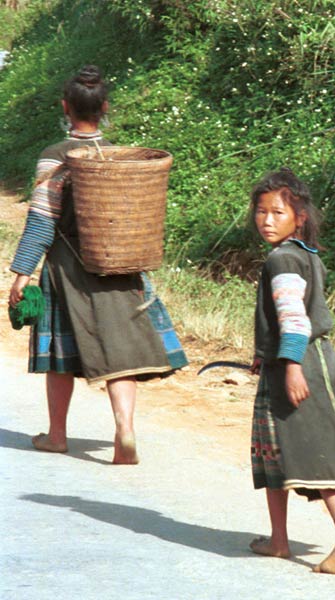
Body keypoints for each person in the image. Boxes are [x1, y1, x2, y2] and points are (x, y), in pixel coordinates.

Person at [8, 65, 188, 464]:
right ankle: (124, 428)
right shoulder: (121, 157)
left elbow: (41, 220)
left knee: (58, 355)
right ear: (105, 108)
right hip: (119, 266)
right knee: (120, 352)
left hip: (66, 265)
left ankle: (57, 435)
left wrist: (22, 274)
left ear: (65, 108)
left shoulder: (55, 157)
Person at [248, 167, 335, 574]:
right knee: (278, 452)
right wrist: (266, 353)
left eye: (278, 212)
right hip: (307, 360)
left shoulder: (282, 260)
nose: (267, 220)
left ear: (300, 217)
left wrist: (291, 367)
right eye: (261, 212)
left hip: (299, 365)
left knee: (313, 453)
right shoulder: (307, 256)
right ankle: (278, 540)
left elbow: (293, 318)